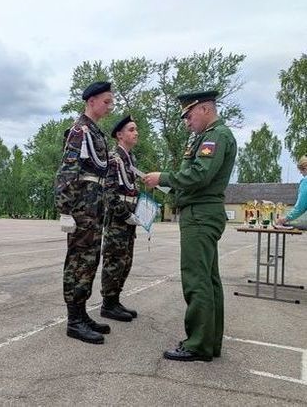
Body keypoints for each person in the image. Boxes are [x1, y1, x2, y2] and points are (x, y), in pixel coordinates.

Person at [143, 90, 237, 362]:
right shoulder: (209, 136)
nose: (186, 121)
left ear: (205, 109)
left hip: (200, 215)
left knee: (197, 279)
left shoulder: (216, 136)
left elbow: (199, 174)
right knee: (208, 279)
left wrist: (165, 177)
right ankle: (209, 341)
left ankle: (197, 344)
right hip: (201, 212)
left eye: (189, 114)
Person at [54, 81, 114, 344]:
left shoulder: (95, 132)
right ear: (91, 101)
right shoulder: (80, 131)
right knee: (79, 261)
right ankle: (74, 320)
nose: (109, 106)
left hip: (94, 207)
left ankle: (82, 313)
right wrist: (65, 210)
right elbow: (67, 171)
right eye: (106, 101)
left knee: (90, 261)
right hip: (81, 209)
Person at [100, 115, 142, 323]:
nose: (136, 133)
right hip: (118, 220)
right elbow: (109, 193)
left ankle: (115, 300)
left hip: (129, 219)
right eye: (131, 130)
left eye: (136, 130)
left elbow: (133, 191)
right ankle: (108, 304)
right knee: (114, 261)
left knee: (125, 261)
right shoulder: (113, 159)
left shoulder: (130, 159)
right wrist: (126, 215)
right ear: (119, 134)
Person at [276, 155, 307, 227]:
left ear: (305, 169)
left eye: (301, 171)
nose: (301, 174)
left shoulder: (305, 181)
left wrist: (285, 218)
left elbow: (300, 207)